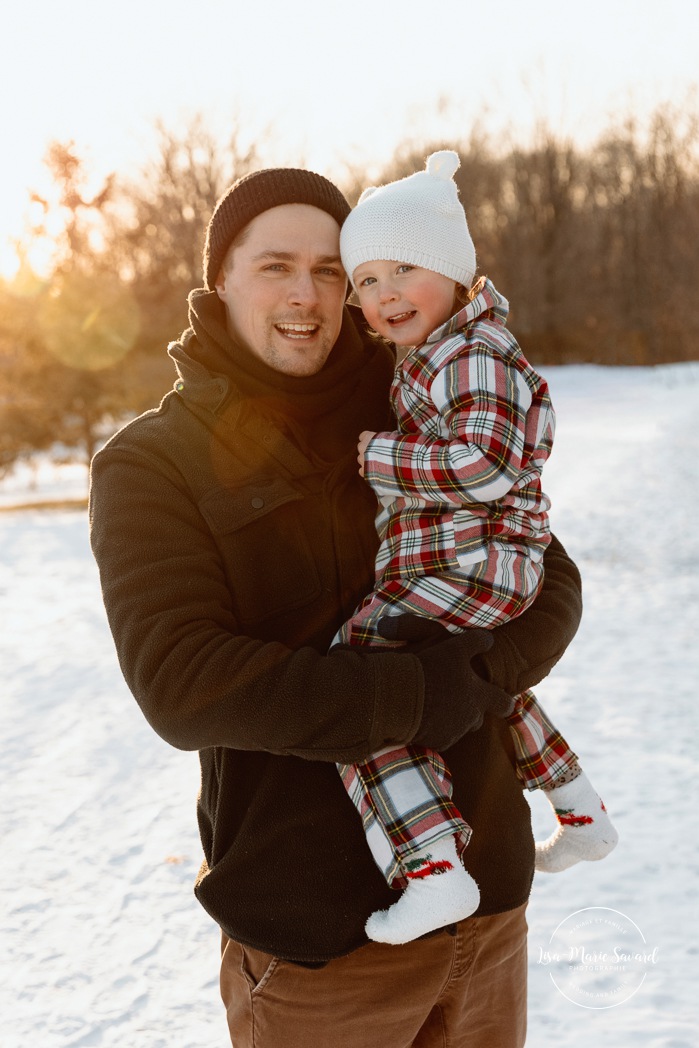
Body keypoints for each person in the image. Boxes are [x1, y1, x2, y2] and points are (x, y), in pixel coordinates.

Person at [89, 164, 584, 1048]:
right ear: (221, 279)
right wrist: (433, 692)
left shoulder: (407, 395)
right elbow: (186, 684)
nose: (308, 295)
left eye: (330, 270)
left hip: (490, 906)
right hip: (321, 950)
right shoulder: (153, 461)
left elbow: (548, 574)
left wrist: (473, 670)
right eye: (276, 265)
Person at [329, 150, 618, 949]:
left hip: (476, 563)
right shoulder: (444, 350)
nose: (383, 293)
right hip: (482, 565)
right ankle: (579, 809)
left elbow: (484, 465)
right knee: (486, 680)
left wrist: (377, 456)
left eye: (402, 270)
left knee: (359, 668)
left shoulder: (470, 355)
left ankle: (430, 865)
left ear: (455, 272)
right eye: (365, 281)